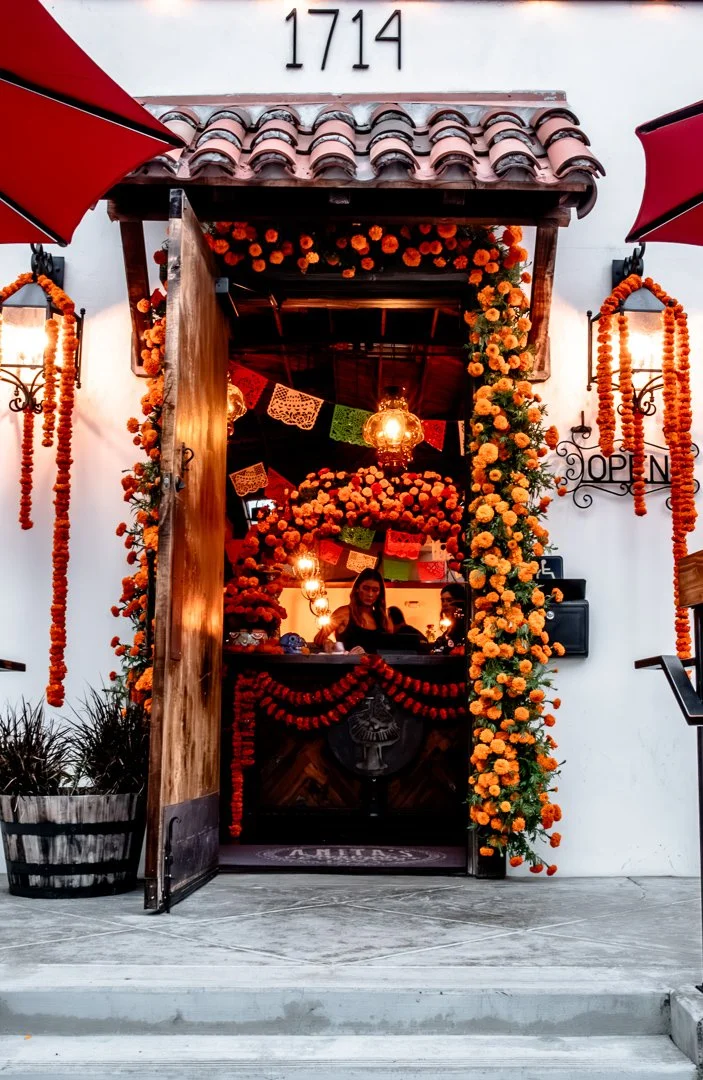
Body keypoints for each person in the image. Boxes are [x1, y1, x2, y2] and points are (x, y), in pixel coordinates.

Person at [314, 567, 392, 650]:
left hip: (377, 663)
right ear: (357, 589)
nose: (370, 594)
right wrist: (327, 642)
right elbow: (318, 639)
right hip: (349, 662)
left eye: (375, 590)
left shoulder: (382, 618)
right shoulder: (344, 613)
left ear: (380, 593)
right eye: (366, 588)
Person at [433, 582, 466, 653]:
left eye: (449, 600)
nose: (444, 604)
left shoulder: (464, 627)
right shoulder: (448, 631)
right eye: (442, 600)